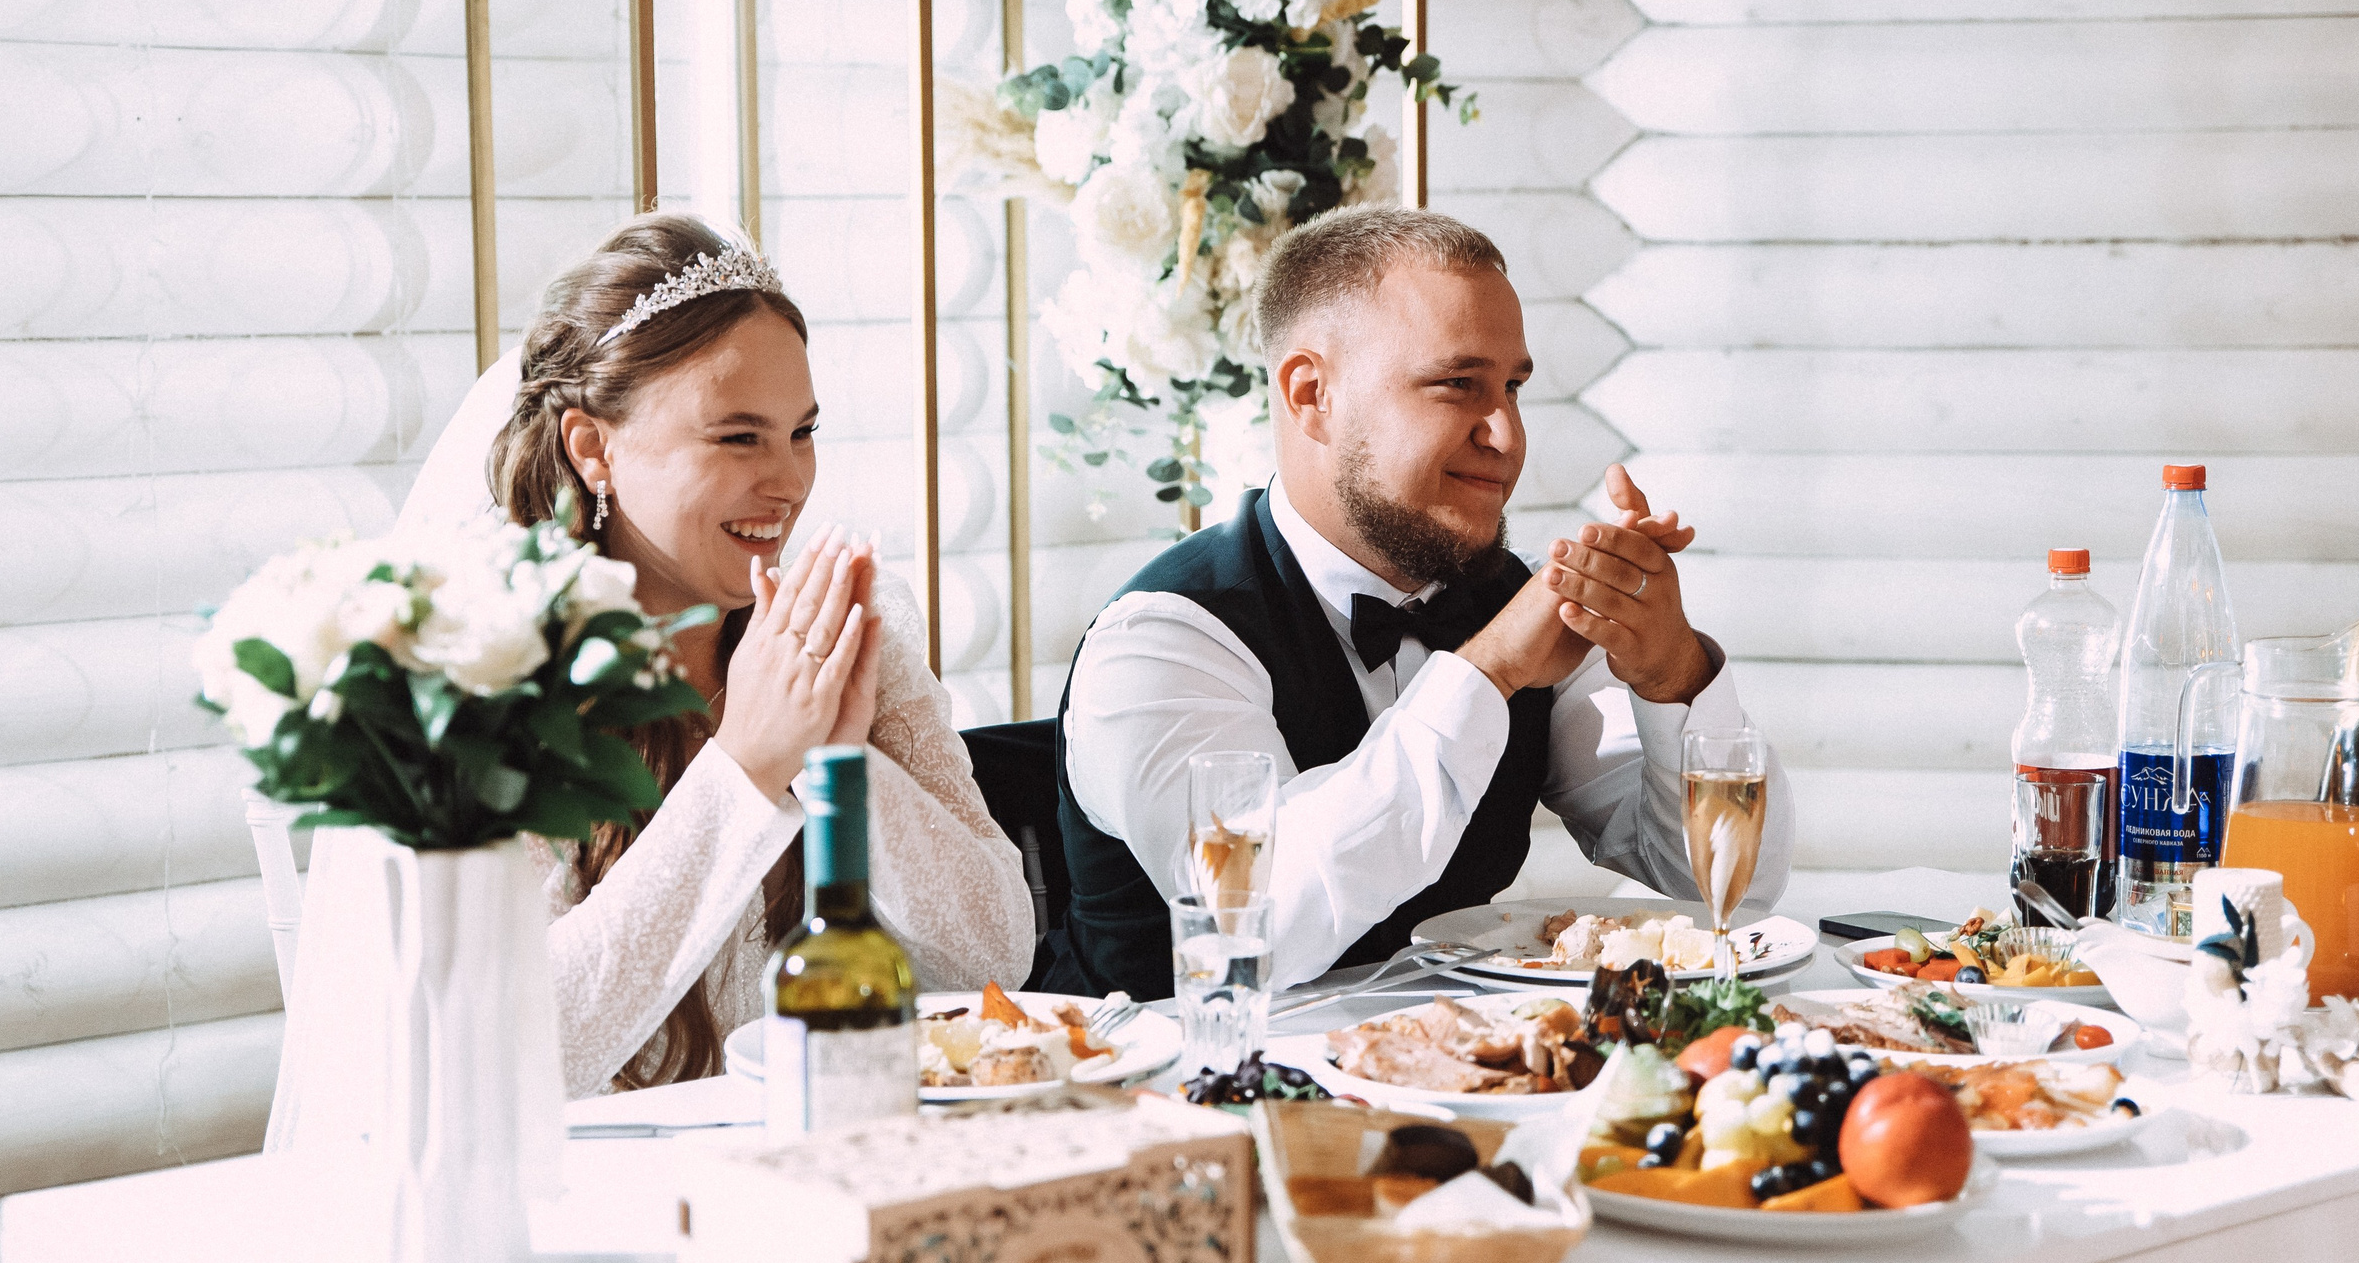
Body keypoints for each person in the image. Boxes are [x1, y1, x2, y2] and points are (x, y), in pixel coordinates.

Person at [1055, 205, 1793, 998]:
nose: (1507, 435)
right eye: (1457, 386)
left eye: (1512, 388)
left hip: (1466, 1089)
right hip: (1178, 1101)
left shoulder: (1514, 604)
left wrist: (1671, 670)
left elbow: (1727, 891)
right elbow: (1254, 923)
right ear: (1312, 394)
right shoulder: (1161, 641)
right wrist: (1489, 672)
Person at [483, 214, 1034, 1095]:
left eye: (802, 432)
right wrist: (745, 764)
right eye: (739, 437)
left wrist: (836, 756)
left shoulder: (851, 625)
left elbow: (994, 952)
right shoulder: (492, 672)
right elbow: (518, 1052)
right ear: (595, 449)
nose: (789, 481)